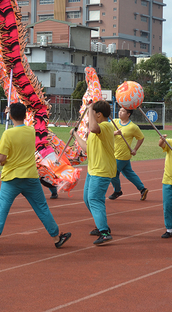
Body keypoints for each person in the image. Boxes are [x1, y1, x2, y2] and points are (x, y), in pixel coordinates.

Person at [0, 102, 71, 254]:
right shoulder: (31, 131)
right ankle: (56, 238)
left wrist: (3, 162)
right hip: (30, 177)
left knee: (2, 209)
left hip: (11, 177)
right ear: (25, 115)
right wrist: (12, 113)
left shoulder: (7, 134)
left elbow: (1, 158)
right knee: (42, 208)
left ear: (10, 116)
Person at [72, 100, 116, 245]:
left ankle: (104, 231)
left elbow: (92, 127)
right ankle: (101, 225)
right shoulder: (96, 131)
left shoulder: (106, 126)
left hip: (102, 171)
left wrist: (89, 109)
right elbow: (86, 148)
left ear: (99, 114)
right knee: (87, 199)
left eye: (93, 113)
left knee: (95, 200)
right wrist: (75, 135)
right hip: (93, 170)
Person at [109, 107, 148, 201]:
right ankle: (142, 189)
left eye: (123, 111)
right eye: (120, 110)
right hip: (113, 153)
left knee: (112, 173)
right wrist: (115, 133)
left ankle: (117, 191)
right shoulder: (114, 122)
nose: (120, 112)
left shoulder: (133, 127)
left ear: (128, 114)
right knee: (129, 173)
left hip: (122, 155)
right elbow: (107, 132)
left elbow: (141, 138)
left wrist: (135, 149)